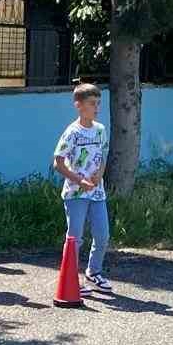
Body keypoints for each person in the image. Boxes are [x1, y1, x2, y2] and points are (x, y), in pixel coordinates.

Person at [53, 83, 112, 294]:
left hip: (97, 192)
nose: (97, 108)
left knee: (102, 234)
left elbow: (103, 155)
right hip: (75, 193)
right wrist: (79, 180)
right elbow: (58, 162)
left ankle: (94, 272)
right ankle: (71, 277)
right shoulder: (72, 132)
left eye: (98, 103)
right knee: (75, 237)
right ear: (78, 105)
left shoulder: (100, 130)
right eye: (92, 103)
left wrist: (100, 173)